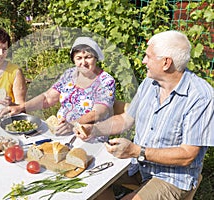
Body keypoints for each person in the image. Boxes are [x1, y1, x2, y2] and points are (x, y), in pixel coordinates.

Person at [75, 30, 214, 199]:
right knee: (89, 182)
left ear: (166, 63)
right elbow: (126, 120)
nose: (143, 61)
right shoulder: (149, 83)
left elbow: (187, 155)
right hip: (139, 166)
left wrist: (136, 151)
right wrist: (94, 129)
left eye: (148, 56)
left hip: (173, 177)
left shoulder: (200, 96)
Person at [0, 37, 116, 135]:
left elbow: (98, 113)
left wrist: (73, 124)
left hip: (89, 135)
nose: (83, 63)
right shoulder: (70, 74)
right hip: (61, 130)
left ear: (96, 58)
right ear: (73, 59)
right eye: (79, 58)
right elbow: (48, 98)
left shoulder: (105, 81)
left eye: (88, 57)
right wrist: (22, 107)